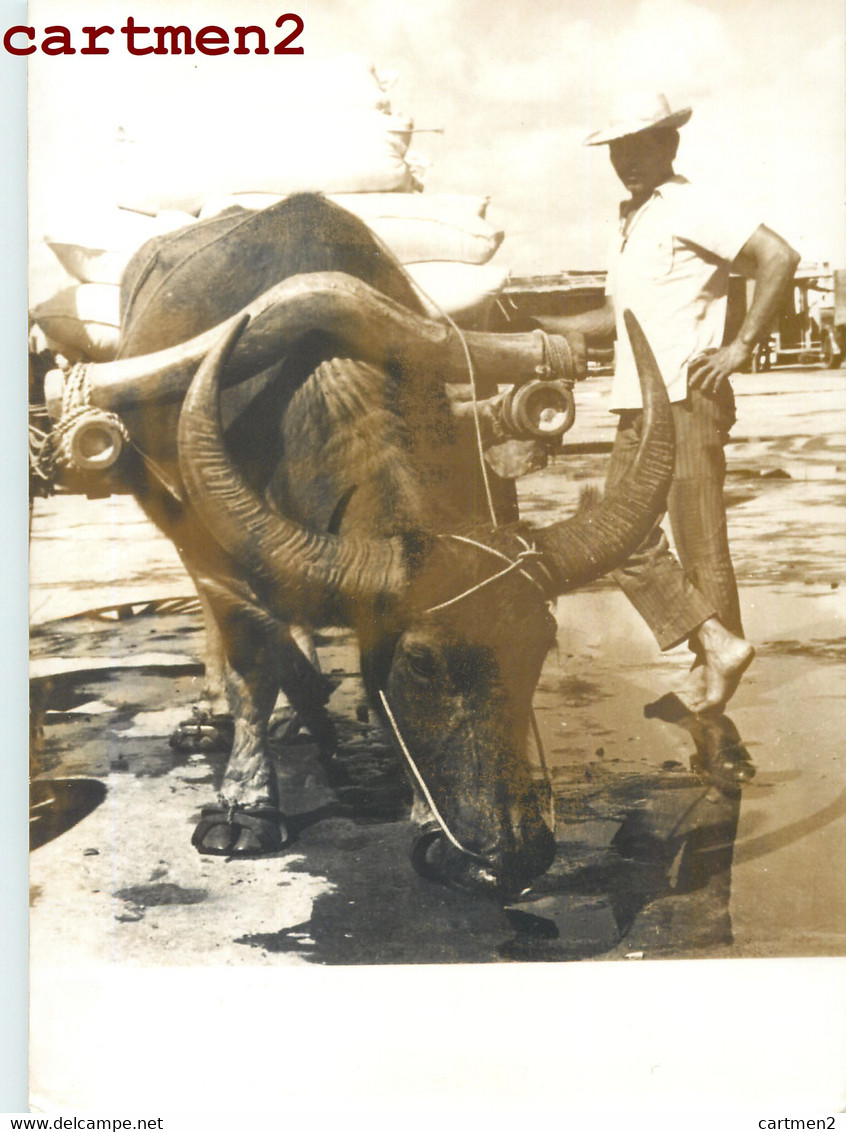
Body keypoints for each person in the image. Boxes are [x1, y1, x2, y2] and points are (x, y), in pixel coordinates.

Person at [536, 92, 800, 714]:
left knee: (699, 544)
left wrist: (739, 348)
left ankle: (712, 677)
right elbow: (611, 317)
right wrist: (527, 324)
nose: (626, 159)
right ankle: (717, 647)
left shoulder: (690, 205)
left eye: (640, 146)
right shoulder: (631, 222)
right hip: (638, 407)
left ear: (669, 146)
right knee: (613, 533)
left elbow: (779, 256)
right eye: (618, 149)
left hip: (687, 399)